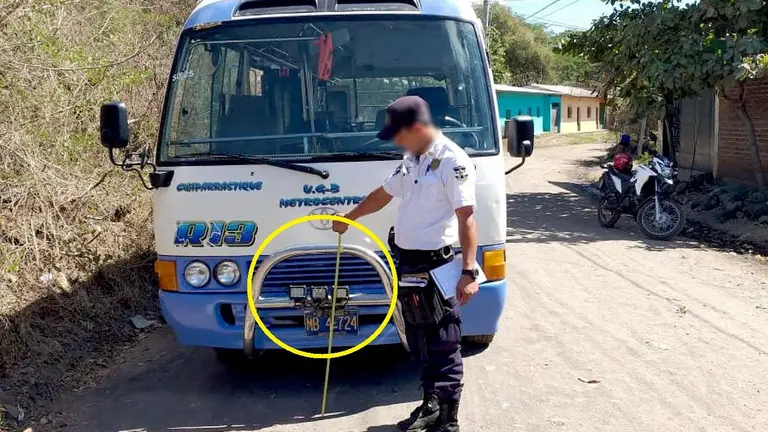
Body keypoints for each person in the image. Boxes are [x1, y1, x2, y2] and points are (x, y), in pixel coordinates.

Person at [332, 96, 479, 432]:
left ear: (417, 128)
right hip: (410, 265)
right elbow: (383, 193)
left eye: (398, 134)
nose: (395, 140)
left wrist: (469, 270)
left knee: (444, 342)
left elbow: (467, 218)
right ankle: (429, 406)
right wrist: (350, 218)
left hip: (437, 268)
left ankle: (447, 421)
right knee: (419, 341)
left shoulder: (451, 161)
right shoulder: (412, 159)